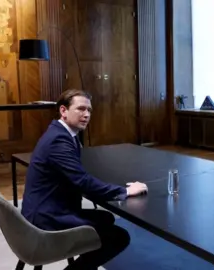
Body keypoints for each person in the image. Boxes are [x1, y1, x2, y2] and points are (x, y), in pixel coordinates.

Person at [21, 89, 148, 269]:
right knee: (119, 237)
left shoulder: (61, 133)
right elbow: (82, 182)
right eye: (81, 109)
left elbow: (77, 177)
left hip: (46, 207)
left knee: (105, 218)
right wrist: (125, 191)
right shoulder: (58, 139)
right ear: (63, 111)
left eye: (89, 110)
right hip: (46, 217)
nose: (86, 114)